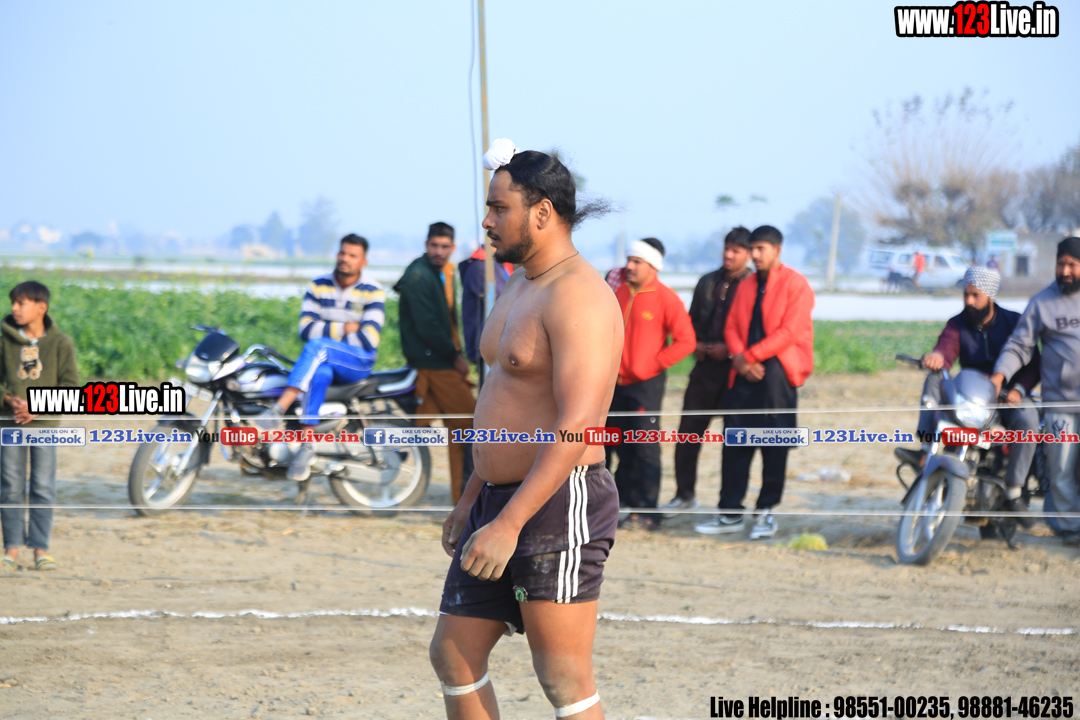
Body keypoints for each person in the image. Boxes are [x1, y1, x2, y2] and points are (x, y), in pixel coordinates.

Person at [430, 139, 621, 720]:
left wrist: (510, 523)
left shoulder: (580, 295)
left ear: (541, 212)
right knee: (454, 655)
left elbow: (576, 424)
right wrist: (473, 497)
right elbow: (500, 399)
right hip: (495, 498)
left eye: (498, 208)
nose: (487, 221)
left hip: (559, 501)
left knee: (562, 676)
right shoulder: (518, 284)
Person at [897, 267, 1040, 526]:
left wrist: (1019, 389)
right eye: (966, 294)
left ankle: (1014, 490)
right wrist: (937, 357)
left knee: (1029, 420)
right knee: (935, 378)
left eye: (975, 295)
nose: (969, 301)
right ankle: (926, 449)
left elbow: (1033, 364)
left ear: (990, 296)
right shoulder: (957, 323)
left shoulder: (1014, 322)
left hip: (1006, 396)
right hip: (969, 393)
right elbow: (945, 349)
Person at [698, 225, 814, 538]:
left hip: (778, 374)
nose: (756, 255)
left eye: (762, 248)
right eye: (754, 249)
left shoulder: (796, 284)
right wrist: (740, 357)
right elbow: (732, 326)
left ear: (778, 250)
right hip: (742, 373)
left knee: (774, 445)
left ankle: (766, 512)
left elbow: (791, 330)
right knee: (735, 442)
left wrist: (750, 356)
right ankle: (729, 513)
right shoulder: (747, 284)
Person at [254, 234, 384, 481]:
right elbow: (305, 329)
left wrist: (326, 332)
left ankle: (278, 409)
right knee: (319, 371)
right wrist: (345, 328)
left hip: (358, 362)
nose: (345, 259)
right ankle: (307, 446)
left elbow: (369, 339)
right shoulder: (318, 285)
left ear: (363, 262)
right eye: (342, 253)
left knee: (318, 346)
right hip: (326, 361)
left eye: (352, 255)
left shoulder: (373, 291)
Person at [991, 238, 1080, 545]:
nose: (1065, 271)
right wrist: (1000, 375)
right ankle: (1071, 528)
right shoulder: (1042, 303)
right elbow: (1019, 345)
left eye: (1072, 265)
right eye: (1061, 264)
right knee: (1061, 468)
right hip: (1060, 404)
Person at [602, 238, 694, 530]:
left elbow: (686, 341)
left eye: (637, 262)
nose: (629, 266)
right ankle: (621, 507)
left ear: (653, 266)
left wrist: (651, 365)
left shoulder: (666, 298)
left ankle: (648, 511)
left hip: (646, 385)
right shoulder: (616, 289)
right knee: (616, 445)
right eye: (629, 260)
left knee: (644, 446)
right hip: (612, 383)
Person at [662, 226, 752, 517]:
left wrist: (730, 350)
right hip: (704, 370)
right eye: (727, 248)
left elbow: (753, 330)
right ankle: (684, 495)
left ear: (748, 255)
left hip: (735, 373)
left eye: (736, 250)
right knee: (688, 434)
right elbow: (691, 323)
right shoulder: (707, 282)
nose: (729, 255)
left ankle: (729, 505)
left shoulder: (751, 285)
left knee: (733, 440)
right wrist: (696, 344)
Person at [0, 281, 79, 573]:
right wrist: (9, 400)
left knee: (43, 486)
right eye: (13, 302)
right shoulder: (4, 342)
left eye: (21, 303)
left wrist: (38, 406)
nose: (14, 308)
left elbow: (71, 388)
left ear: (41, 308)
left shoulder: (61, 344)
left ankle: (40, 550)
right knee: (10, 486)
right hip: (9, 426)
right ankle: (11, 550)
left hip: (45, 426)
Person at [395, 222, 475, 503]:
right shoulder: (420, 276)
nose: (439, 251)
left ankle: (462, 498)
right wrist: (456, 358)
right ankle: (466, 500)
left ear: (453, 247)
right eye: (434, 246)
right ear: (426, 245)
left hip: (437, 361)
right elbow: (428, 326)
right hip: (436, 365)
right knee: (470, 426)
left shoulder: (442, 271)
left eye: (444, 246)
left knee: (455, 429)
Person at [459, 245, 513, 366]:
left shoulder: (501, 262)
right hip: (489, 348)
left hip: (499, 345)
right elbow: (504, 303)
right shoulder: (481, 266)